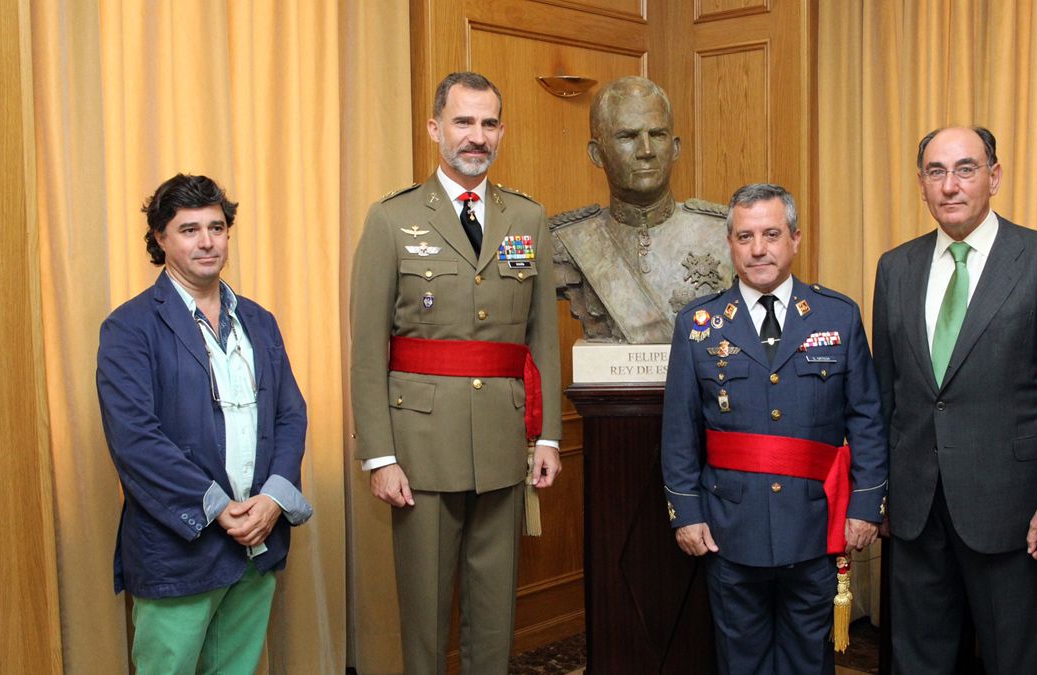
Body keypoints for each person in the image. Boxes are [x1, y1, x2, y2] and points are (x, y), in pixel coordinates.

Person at [349, 71, 562, 674]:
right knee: (424, 613)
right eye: (464, 122)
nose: (477, 136)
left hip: (501, 440)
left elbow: (541, 333)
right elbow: (367, 349)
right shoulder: (392, 219)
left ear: (501, 132)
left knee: (494, 613)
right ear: (435, 128)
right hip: (418, 446)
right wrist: (378, 455)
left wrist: (546, 436)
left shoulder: (528, 217)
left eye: (489, 123)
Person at [873, 126, 1037, 674]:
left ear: (994, 177)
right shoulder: (895, 267)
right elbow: (887, 389)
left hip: (1011, 510)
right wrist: (876, 489)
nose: (950, 185)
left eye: (966, 169)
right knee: (917, 659)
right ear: (922, 185)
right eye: (936, 172)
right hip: (915, 509)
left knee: (1014, 659)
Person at [661, 183, 887, 674]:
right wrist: (686, 513)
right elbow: (680, 429)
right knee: (740, 659)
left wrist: (866, 505)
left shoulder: (838, 316)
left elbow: (866, 418)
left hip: (813, 523)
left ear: (795, 239)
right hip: (729, 524)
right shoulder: (698, 325)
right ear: (730, 244)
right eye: (744, 237)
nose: (758, 249)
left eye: (770, 234)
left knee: (810, 657)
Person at [96, 173, 312, 674]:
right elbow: (135, 441)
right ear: (160, 238)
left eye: (216, 227)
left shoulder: (259, 320)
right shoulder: (129, 328)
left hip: (258, 539)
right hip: (178, 550)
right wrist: (217, 509)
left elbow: (289, 414)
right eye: (189, 229)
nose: (207, 241)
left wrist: (275, 498)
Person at [551, 76, 733, 343]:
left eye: (657, 135)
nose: (646, 150)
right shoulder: (565, 242)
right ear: (596, 153)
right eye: (628, 136)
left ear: (675, 148)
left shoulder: (723, 232)